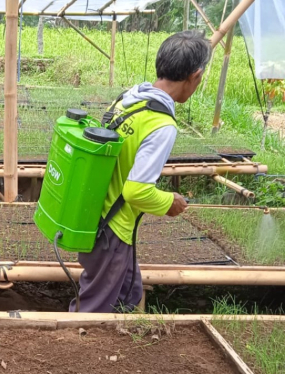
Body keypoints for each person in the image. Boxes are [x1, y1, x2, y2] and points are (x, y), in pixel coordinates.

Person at [70, 31, 210, 313]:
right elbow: (136, 191)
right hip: (113, 229)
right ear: (194, 76)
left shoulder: (129, 99)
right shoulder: (161, 124)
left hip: (97, 218)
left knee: (128, 295)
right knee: (93, 311)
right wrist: (169, 202)